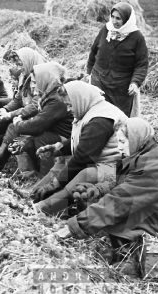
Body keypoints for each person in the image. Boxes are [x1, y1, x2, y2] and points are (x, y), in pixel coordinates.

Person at [56, 118, 158, 272]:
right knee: (112, 213)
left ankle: (132, 257)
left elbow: (121, 201)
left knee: (118, 216)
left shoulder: (156, 164)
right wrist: (99, 189)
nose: (119, 148)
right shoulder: (148, 150)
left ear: (134, 139)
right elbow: (129, 183)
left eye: (122, 142)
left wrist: (76, 226)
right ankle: (124, 250)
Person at [33, 81, 128, 215]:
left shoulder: (100, 120)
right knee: (62, 161)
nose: (68, 109)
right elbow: (80, 143)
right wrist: (56, 148)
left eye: (69, 105)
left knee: (86, 174)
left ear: (79, 100)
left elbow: (82, 158)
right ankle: (33, 195)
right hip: (99, 161)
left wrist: (56, 184)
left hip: (117, 169)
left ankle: (45, 208)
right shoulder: (88, 110)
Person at [0, 62, 74, 172]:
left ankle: (43, 176)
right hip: (52, 130)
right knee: (22, 138)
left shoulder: (56, 98)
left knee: (40, 139)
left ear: (44, 79)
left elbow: (37, 125)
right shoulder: (49, 92)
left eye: (35, 82)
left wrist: (18, 123)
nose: (33, 85)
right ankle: (1, 163)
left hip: (64, 135)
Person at [87, 2, 148, 117]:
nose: (114, 21)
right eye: (113, 17)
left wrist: (135, 82)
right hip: (98, 82)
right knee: (97, 115)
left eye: (118, 18)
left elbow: (142, 64)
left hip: (120, 89)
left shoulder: (137, 37)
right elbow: (93, 52)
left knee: (118, 119)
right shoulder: (106, 30)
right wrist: (89, 73)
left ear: (127, 20)